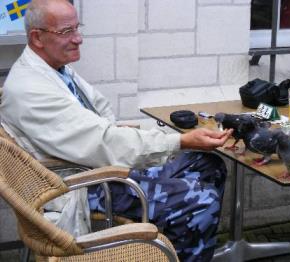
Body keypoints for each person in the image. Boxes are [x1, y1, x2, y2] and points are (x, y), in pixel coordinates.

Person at [0, 0, 233, 261]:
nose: (78, 39)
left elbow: (104, 118)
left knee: (208, 164)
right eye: (66, 32)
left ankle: (178, 244)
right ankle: (177, 236)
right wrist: (179, 141)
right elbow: (103, 141)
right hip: (83, 187)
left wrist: (170, 142)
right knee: (200, 200)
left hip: (96, 168)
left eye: (77, 28)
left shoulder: (55, 70)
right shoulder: (31, 89)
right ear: (37, 37)